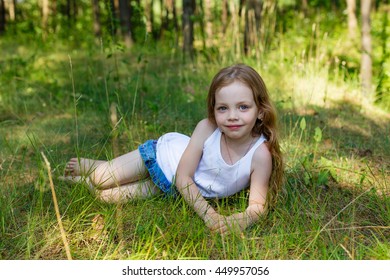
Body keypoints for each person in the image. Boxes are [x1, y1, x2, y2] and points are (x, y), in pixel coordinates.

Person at [63, 64, 284, 235]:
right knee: (101, 178)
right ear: (213, 110)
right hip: (164, 158)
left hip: (172, 188)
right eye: (223, 108)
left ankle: (82, 180)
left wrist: (240, 220)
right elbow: (183, 176)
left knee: (105, 197)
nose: (232, 116)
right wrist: (209, 215)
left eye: (243, 107)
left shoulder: (260, 154)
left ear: (261, 111)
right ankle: (92, 166)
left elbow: (257, 206)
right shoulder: (207, 128)